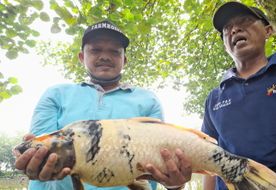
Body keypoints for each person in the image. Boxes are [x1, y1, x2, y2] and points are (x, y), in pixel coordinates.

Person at [14, 20, 191, 190]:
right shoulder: (56, 94)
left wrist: (174, 185)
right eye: (96, 50)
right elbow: (42, 151)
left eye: (114, 52)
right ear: (82, 57)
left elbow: (161, 163)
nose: (105, 56)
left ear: (124, 60)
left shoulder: (148, 101)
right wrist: (32, 163)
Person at [201, 1, 276, 190]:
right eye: (227, 29)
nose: (235, 29)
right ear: (225, 44)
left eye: (245, 20)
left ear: (268, 31)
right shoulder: (214, 99)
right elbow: (208, 155)